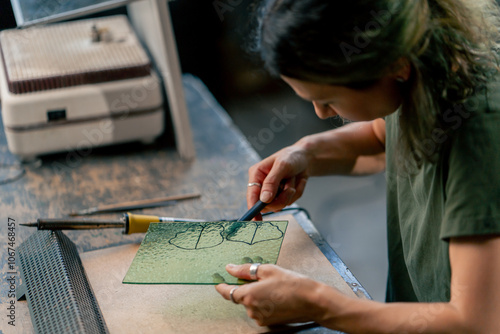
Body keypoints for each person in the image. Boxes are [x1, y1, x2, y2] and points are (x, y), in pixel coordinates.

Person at [215, 0, 500, 332]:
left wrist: (322, 305)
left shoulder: (480, 128)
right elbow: (384, 141)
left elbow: (476, 322)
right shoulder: (422, 69)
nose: (321, 113)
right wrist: (306, 152)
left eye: (328, 99)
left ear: (396, 64)